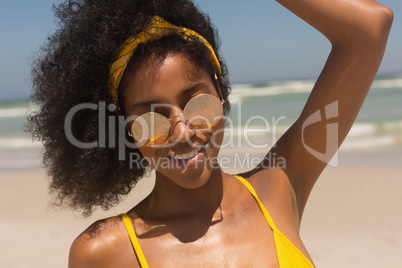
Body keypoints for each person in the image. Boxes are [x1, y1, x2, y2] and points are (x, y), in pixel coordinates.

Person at [28, 0, 393, 267]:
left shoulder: (279, 188)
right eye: (152, 118)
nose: (183, 131)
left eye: (196, 102)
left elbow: (370, 28)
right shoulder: (105, 252)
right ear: (127, 129)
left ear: (221, 92)